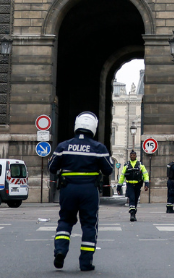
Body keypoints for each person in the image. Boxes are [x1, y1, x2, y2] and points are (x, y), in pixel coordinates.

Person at [48, 111, 114, 272]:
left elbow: (52, 167)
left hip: (68, 189)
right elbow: (108, 169)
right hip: (89, 190)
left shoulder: (63, 146)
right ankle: (85, 263)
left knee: (65, 220)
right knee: (89, 225)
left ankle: (61, 251)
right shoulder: (99, 148)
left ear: (76, 126)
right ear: (93, 128)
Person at [117, 150, 148, 221]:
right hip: (130, 184)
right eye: (131, 155)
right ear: (129, 156)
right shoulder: (126, 165)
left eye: (134, 155)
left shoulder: (140, 165)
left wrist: (146, 184)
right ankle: (132, 214)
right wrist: (119, 187)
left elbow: (145, 174)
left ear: (136, 156)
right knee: (132, 198)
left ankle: (134, 212)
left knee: (136, 199)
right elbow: (122, 176)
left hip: (138, 185)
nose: (132, 156)